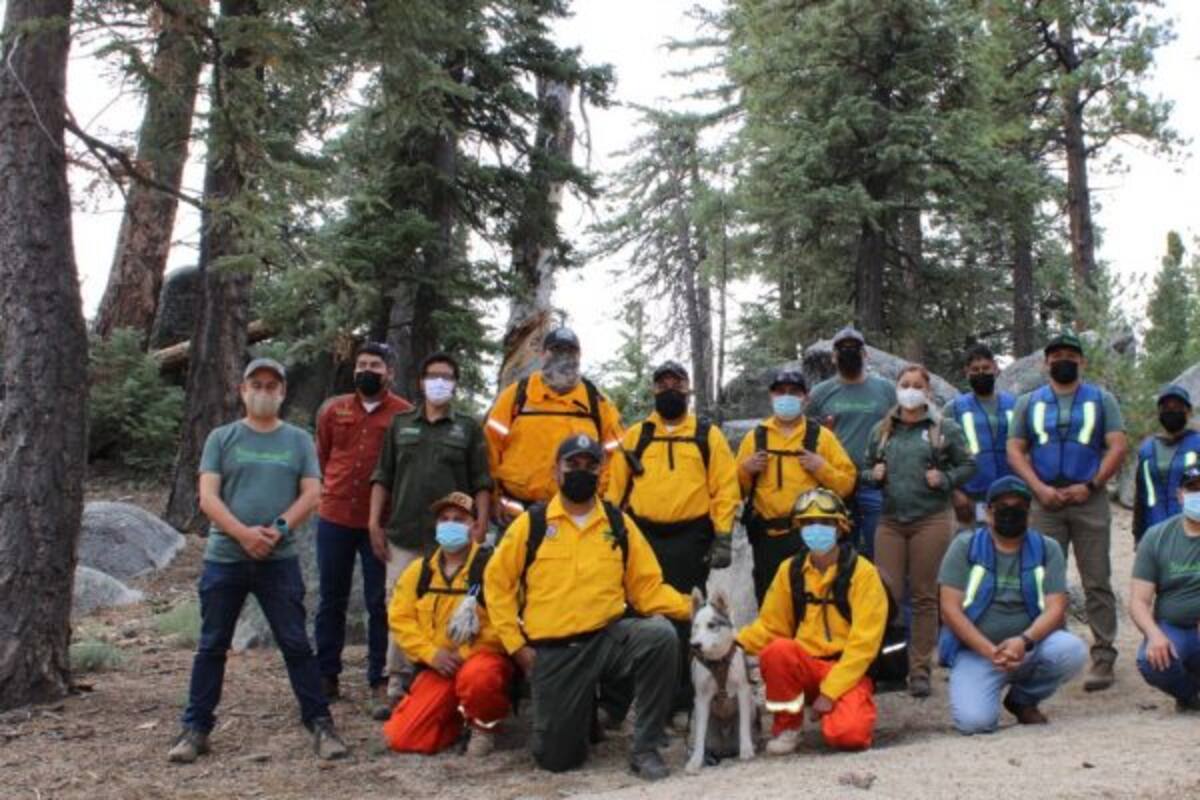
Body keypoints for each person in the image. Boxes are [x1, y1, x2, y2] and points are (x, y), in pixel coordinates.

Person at [168, 358, 347, 763]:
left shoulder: (298, 441)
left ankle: (320, 723)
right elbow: (208, 497)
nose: (264, 391)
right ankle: (195, 728)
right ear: (243, 390)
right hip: (226, 557)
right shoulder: (222, 438)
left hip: (278, 558)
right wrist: (243, 533)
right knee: (212, 645)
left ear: (282, 393)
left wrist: (278, 529)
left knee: (297, 644)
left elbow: (312, 494)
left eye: (272, 385)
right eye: (257, 384)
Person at [484, 434, 691, 780]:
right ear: (556, 470)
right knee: (557, 759)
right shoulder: (531, 525)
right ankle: (582, 719)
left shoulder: (617, 524)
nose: (582, 471)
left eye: (590, 465)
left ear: (601, 471)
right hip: (555, 650)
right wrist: (516, 646)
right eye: (573, 464)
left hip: (607, 639)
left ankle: (645, 747)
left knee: (660, 636)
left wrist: (692, 608)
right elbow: (497, 586)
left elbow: (646, 589)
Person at [605, 360, 740, 726]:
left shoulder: (706, 435)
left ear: (688, 388)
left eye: (676, 382)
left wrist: (723, 534)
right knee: (635, 614)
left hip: (690, 536)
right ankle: (625, 699)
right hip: (642, 536)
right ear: (653, 390)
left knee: (685, 617)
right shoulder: (636, 436)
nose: (669, 389)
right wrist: (610, 533)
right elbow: (614, 489)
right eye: (661, 383)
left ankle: (680, 702)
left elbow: (724, 487)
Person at [369, 352, 493, 714]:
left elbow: (482, 482)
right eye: (433, 375)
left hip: (454, 534)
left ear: (455, 384)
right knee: (398, 603)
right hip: (404, 531)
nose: (439, 382)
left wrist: (480, 524)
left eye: (447, 376)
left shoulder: (468, 428)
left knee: (454, 604)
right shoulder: (400, 424)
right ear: (421, 381)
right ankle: (397, 679)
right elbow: (382, 476)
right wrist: (374, 522)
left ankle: (450, 672)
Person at [1006, 331, 1128, 691]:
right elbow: (1015, 448)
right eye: (1056, 354)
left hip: (1088, 499)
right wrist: (1038, 488)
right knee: (1043, 581)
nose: (1063, 360)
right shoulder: (1029, 402)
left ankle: (1103, 656)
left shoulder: (1101, 400)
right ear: (1045, 363)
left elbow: (1117, 446)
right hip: (1045, 502)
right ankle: (1048, 652)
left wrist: (1090, 485)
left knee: (1096, 579)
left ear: (1082, 362)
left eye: (1070, 355)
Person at [737, 488, 887, 754]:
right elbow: (771, 627)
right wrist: (734, 644)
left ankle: (844, 710)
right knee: (777, 651)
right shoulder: (790, 571)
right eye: (807, 523)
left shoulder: (863, 573)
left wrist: (829, 693)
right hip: (804, 664)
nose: (815, 529)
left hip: (846, 668)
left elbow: (864, 646)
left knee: (848, 736)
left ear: (840, 528)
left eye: (825, 523)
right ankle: (787, 727)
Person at [938, 477, 1087, 734]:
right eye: (1003, 506)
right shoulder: (965, 546)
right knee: (975, 724)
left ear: (1029, 514)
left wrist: (1023, 641)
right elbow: (949, 609)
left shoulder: (1047, 548)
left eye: (1018, 506)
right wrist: (989, 651)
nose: (1011, 512)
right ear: (987, 511)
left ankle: (1023, 698)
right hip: (977, 652)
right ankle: (985, 689)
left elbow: (1056, 607)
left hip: (1029, 647)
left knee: (1072, 650)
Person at [313, 341, 413, 718]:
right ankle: (326, 676)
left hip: (381, 524)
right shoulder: (333, 410)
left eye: (374, 365)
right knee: (330, 599)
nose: (366, 370)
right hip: (335, 516)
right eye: (361, 364)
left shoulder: (403, 415)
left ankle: (379, 679)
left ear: (389, 372)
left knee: (379, 603)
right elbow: (324, 455)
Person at [863, 363, 975, 698]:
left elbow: (969, 464)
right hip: (891, 521)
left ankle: (920, 669)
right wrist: (874, 476)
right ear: (896, 388)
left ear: (928, 392)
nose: (910, 390)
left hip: (931, 519)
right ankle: (889, 666)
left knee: (925, 596)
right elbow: (865, 469)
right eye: (905, 384)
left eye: (917, 385)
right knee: (886, 595)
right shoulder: (882, 430)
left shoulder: (945, 428)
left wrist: (946, 479)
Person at [382, 492, 514, 755]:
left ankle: (484, 727)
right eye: (444, 519)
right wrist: (431, 655)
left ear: (476, 526)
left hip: (481, 660)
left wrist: (463, 655)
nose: (450, 524)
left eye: (460, 519)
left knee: (479, 677)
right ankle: (456, 719)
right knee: (403, 738)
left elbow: (507, 622)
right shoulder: (419, 571)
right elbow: (401, 619)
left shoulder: (493, 567)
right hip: (437, 665)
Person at [737, 368, 857, 604]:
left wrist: (821, 467)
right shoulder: (755, 437)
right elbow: (734, 491)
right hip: (766, 539)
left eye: (794, 392)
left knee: (810, 601)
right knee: (771, 602)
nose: (787, 397)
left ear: (806, 398)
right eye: (780, 392)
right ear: (771, 396)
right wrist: (745, 470)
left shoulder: (822, 437)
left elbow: (847, 484)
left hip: (809, 537)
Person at [484, 327, 623, 522]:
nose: (563, 356)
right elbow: (489, 447)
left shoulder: (597, 403)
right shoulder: (516, 396)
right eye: (556, 349)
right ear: (542, 354)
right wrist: (492, 495)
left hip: (578, 514)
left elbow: (617, 456)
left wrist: (602, 493)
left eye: (569, 350)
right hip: (516, 513)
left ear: (579, 355)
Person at [806, 326, 897, 558]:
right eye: (842, 348)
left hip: (875, 483)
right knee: (837, 552)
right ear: (834, 356)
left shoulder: (885, 390)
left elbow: (901, 427)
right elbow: (806, 435)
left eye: (854, 348)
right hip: (834, 482)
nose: (849, 352)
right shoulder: (819, 393)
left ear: (865, 354)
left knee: (879, 551)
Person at [1129, 464, 1200, 711]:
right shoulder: (1157, 536)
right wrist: (1154, 634)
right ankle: (1190, 695)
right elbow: (1139, 601)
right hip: (1174, 627)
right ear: (1180, 494)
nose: (1198, 495)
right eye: (1193, 489)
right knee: (1151, 660)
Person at [943, 344, 1016, 529]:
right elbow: (940, 455)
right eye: (975, 370)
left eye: (986, 368)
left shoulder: (1014, 404)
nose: (981, 373)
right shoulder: (954, 408)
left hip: (1010, 492)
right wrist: (955, 493)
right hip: (970, 496)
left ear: (996, 369)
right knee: (972, 549)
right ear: (966, 372)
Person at [1133, 385, 1200, 543]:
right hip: (1154, 532)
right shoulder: (1146, 450)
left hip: (1192, 534)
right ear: (1159, 413)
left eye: (1177, 407)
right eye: (1166, 408)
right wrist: (1138, 536)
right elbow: (1140, 496)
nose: (1171, 411)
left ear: (1188, 412)